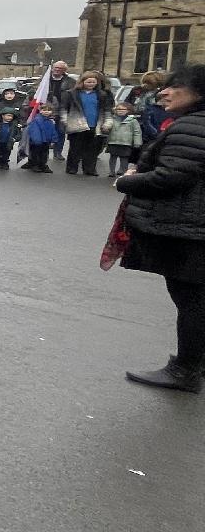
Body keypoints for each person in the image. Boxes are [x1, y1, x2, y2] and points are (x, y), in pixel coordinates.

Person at [114, 65, 205, 392]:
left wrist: (127, 181)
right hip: (194, 224)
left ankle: (185, 370)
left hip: (188, 228)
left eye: (174, 86)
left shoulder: (192, 126)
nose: (164, 92)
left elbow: (171, 177)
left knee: (191, 298)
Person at [61, 71, 114, 177]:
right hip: (77, 124)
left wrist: (107, 123)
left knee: (92, 149)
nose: (91, 84)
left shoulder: (102, 94)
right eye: (88, 82)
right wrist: (65, 121)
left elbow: (107, 110)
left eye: (93, 82)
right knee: (75, 148)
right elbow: (64, 108)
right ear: (82, 82)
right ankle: (72, 168)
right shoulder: (72, 93)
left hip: (95, 125)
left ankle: (90, 169)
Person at [105, 101, 143, 182]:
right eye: (118, 109)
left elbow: (137, 132)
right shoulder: (112, 119)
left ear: (129, 110)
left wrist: (137, 142)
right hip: (113, 141)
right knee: (112, 157)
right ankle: (111, 171)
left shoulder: (133, 121)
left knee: (124, 159)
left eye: (123, 109)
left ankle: (123, 171)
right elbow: (107, 128)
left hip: (126, 143)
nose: (120, 111)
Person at [24, 106, 57, 172]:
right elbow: (34, 131)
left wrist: (54, 140)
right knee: (36, 153)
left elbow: (53, 131)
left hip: (46, 141)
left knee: (44, 154)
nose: (46, 112)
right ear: (40, 111)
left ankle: (43, 165)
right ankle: (35, 165)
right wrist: (37, 141)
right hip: (37, 142)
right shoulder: (36, 120)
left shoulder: (51, 121)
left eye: (49, 110)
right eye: (44, 110)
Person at [0, 104, 21, 170]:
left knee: (6, 154)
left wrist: (15, 139)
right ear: (2, 116)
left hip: (8, 143)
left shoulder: (14, 126)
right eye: (8, 115)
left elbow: (18, 134)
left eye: (11, 116)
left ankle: (4, 163)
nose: (10, 117)